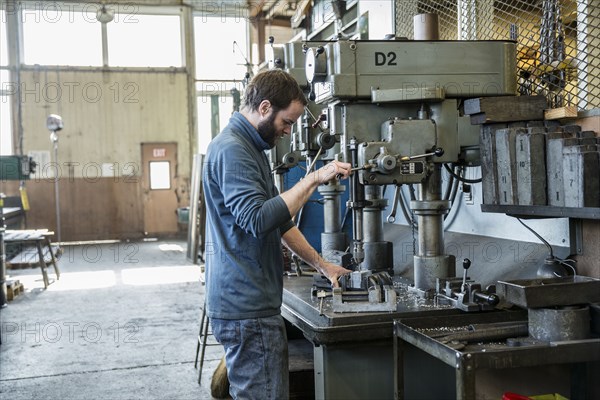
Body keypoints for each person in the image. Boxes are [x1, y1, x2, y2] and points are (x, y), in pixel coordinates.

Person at [202, 69, 352, 399]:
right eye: (287, 122)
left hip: (250, 305)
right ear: (266, 107)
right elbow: (256, 219)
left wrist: (323, 265)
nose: (287, 132)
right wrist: (311, 179)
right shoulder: (233, 150)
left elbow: (280, 222)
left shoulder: (249, 149)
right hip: (247, 309)